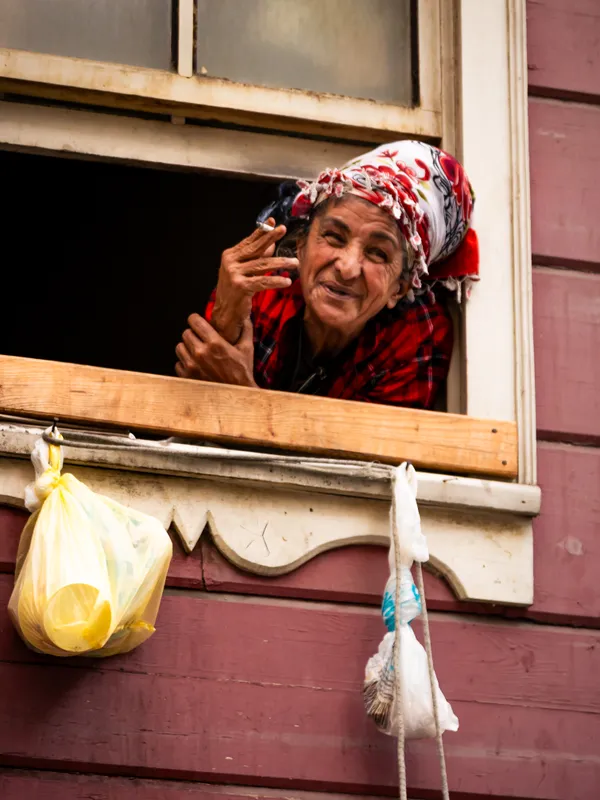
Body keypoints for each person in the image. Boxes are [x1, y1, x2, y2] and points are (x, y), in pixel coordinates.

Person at [175, 141, 478, 408]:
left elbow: (358, 453)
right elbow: (196, 401)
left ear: (399, 288)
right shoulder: (261, 287)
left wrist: (245, 397)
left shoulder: (415, 336)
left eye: (377, 253)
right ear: (301, 246)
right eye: (334, 237)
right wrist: (226, 315)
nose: (347, 268)